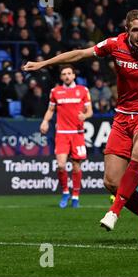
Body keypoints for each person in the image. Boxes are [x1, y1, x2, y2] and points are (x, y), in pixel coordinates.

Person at [22, 9, 138, 244]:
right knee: (111, 182)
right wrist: (44, 63)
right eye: (135, 30)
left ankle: (114, 212)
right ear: (127, 31)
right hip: (122, 118)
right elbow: (80, 54)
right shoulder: (114, 45)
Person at [39, 65, 93, 208]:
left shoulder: (83, 90)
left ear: (74, 75)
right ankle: (65, 192)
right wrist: (45, 121)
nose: (67, 76)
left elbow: (90, 111)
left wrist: (85, 115)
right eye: (64, 74)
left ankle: (75, 196)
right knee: (61, 165)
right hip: (62, 133)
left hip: (77, 134)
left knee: (76, 167)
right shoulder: (55, 91)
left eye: (69, 73)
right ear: (61, 77)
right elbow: (50, 110)